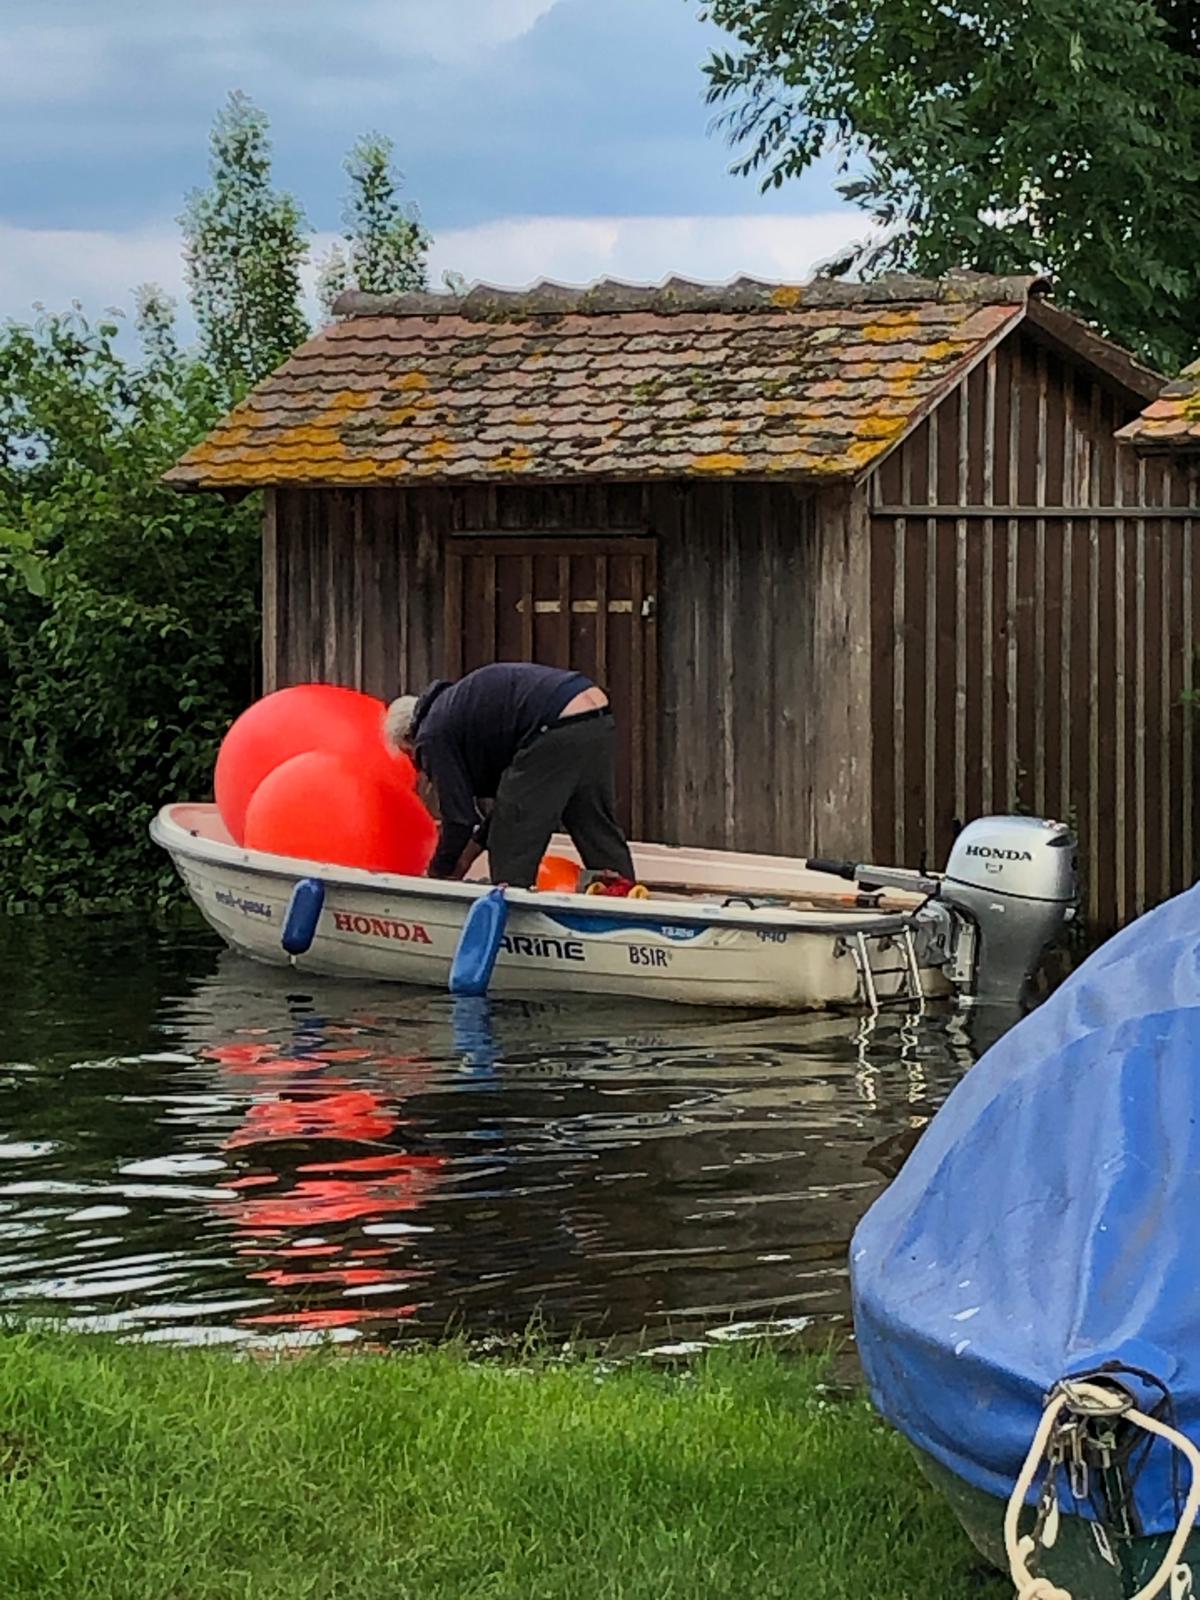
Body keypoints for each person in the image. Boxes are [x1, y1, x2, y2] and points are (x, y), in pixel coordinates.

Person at [385, 662, 636, 889]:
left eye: (411, 757)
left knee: (511, 842)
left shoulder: (431, 735)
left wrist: (438, 874)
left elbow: (459, 819)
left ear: (409, 737)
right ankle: (624, 900)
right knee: (593, 822)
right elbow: (510, 798)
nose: (420, 768)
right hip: (594, 715)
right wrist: (468, 855)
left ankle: (512, 911)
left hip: (552, 722)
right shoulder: (458, 712)